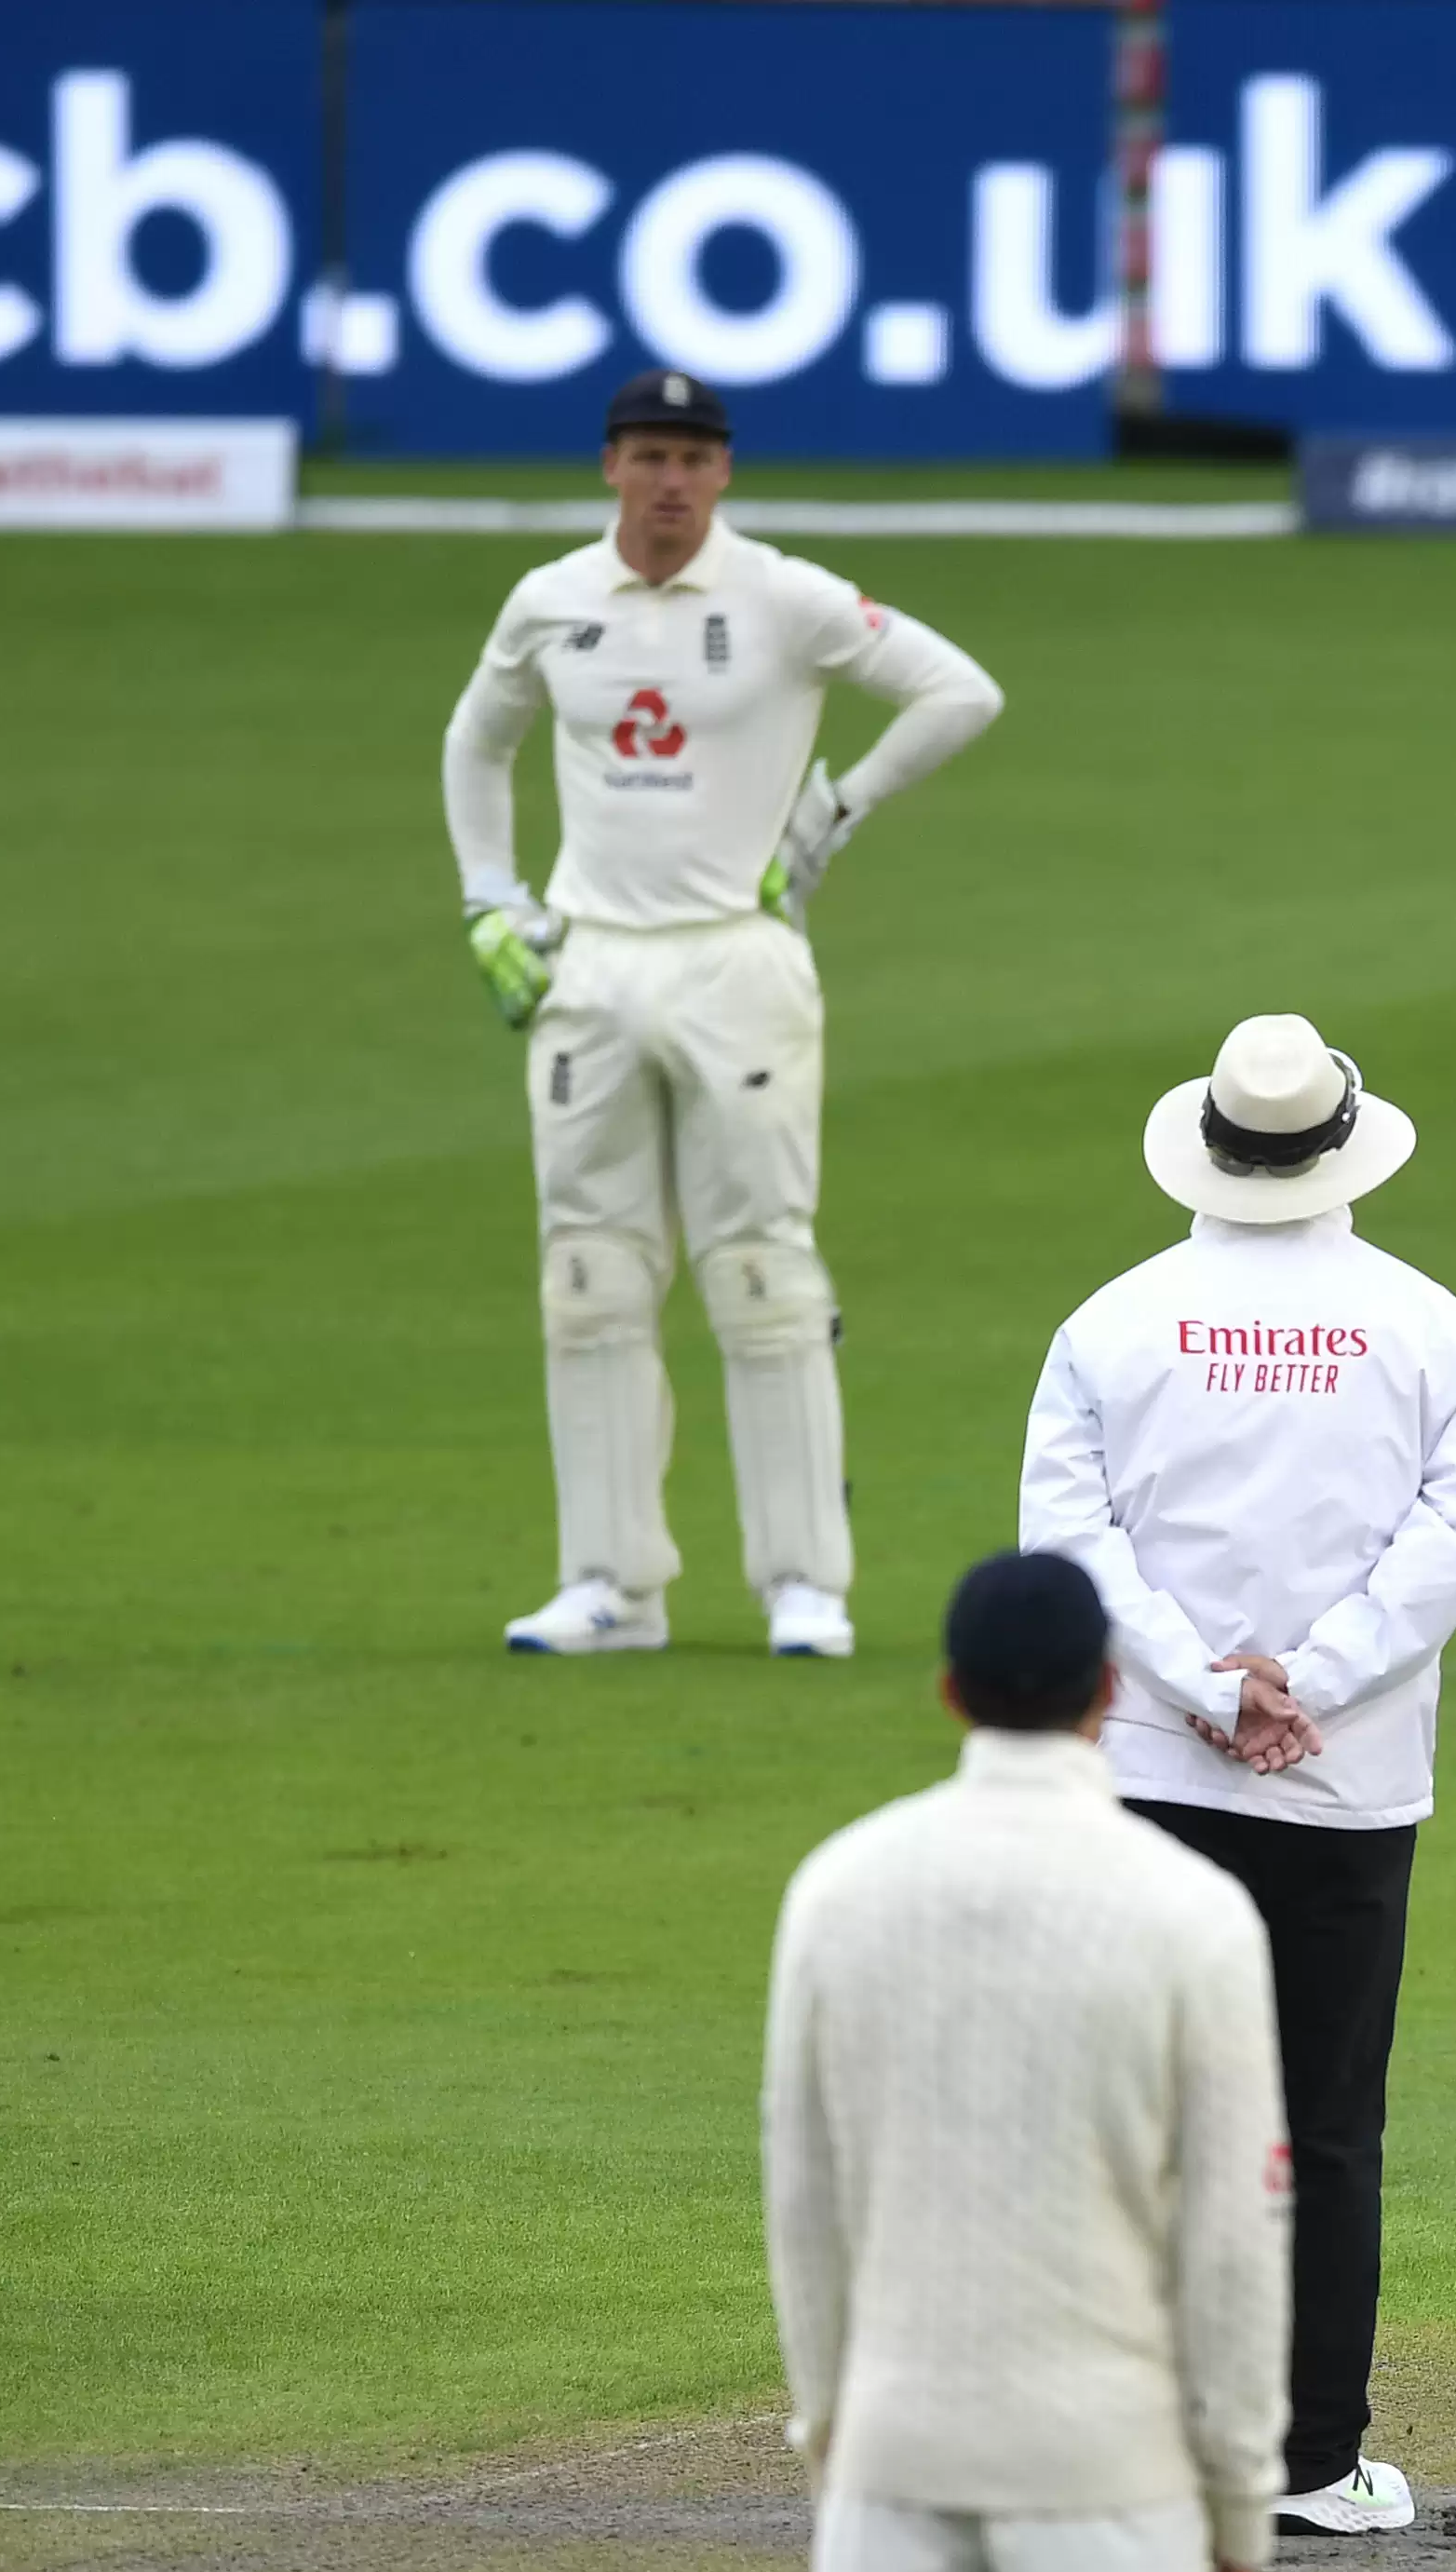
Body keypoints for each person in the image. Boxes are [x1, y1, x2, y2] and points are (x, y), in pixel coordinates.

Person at [1020, 1012, 1456, 2539]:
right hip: (1346, 1783)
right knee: (1328, 2119)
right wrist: (1319, 1678)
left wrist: (1201, 1682)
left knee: (1146, 2110)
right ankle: (1309, 2455)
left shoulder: (1113, 1322)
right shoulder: (1425, 1322)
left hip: (1156, 1776)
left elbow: (1068, 1544)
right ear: (1342, 1146)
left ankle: (1139, 2441)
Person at [441, 368, 1006, 1661]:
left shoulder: (784, 597)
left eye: (694, 458)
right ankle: (610, 1583)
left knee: (761, 1271)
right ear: (609, 468)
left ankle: (804, 1583)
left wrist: (829, 814)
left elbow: (959, 690)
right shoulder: (551, 602)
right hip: (586, 963)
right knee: (589, 1275)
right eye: (647, 456)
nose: (671, 482)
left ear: (725, 473)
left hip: (738, 966)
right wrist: (489, 899)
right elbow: (477, 743)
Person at [761, 1549, 1289, 2572]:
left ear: (949, 1691)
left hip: (900, 2443)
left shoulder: (839, 1889)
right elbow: (1233, 2240)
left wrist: (836, 2426)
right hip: (1107, 2463)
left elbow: (804, 2195)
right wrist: (1240, 2493)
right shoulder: (1193, 1911)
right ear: (1110, 1688)